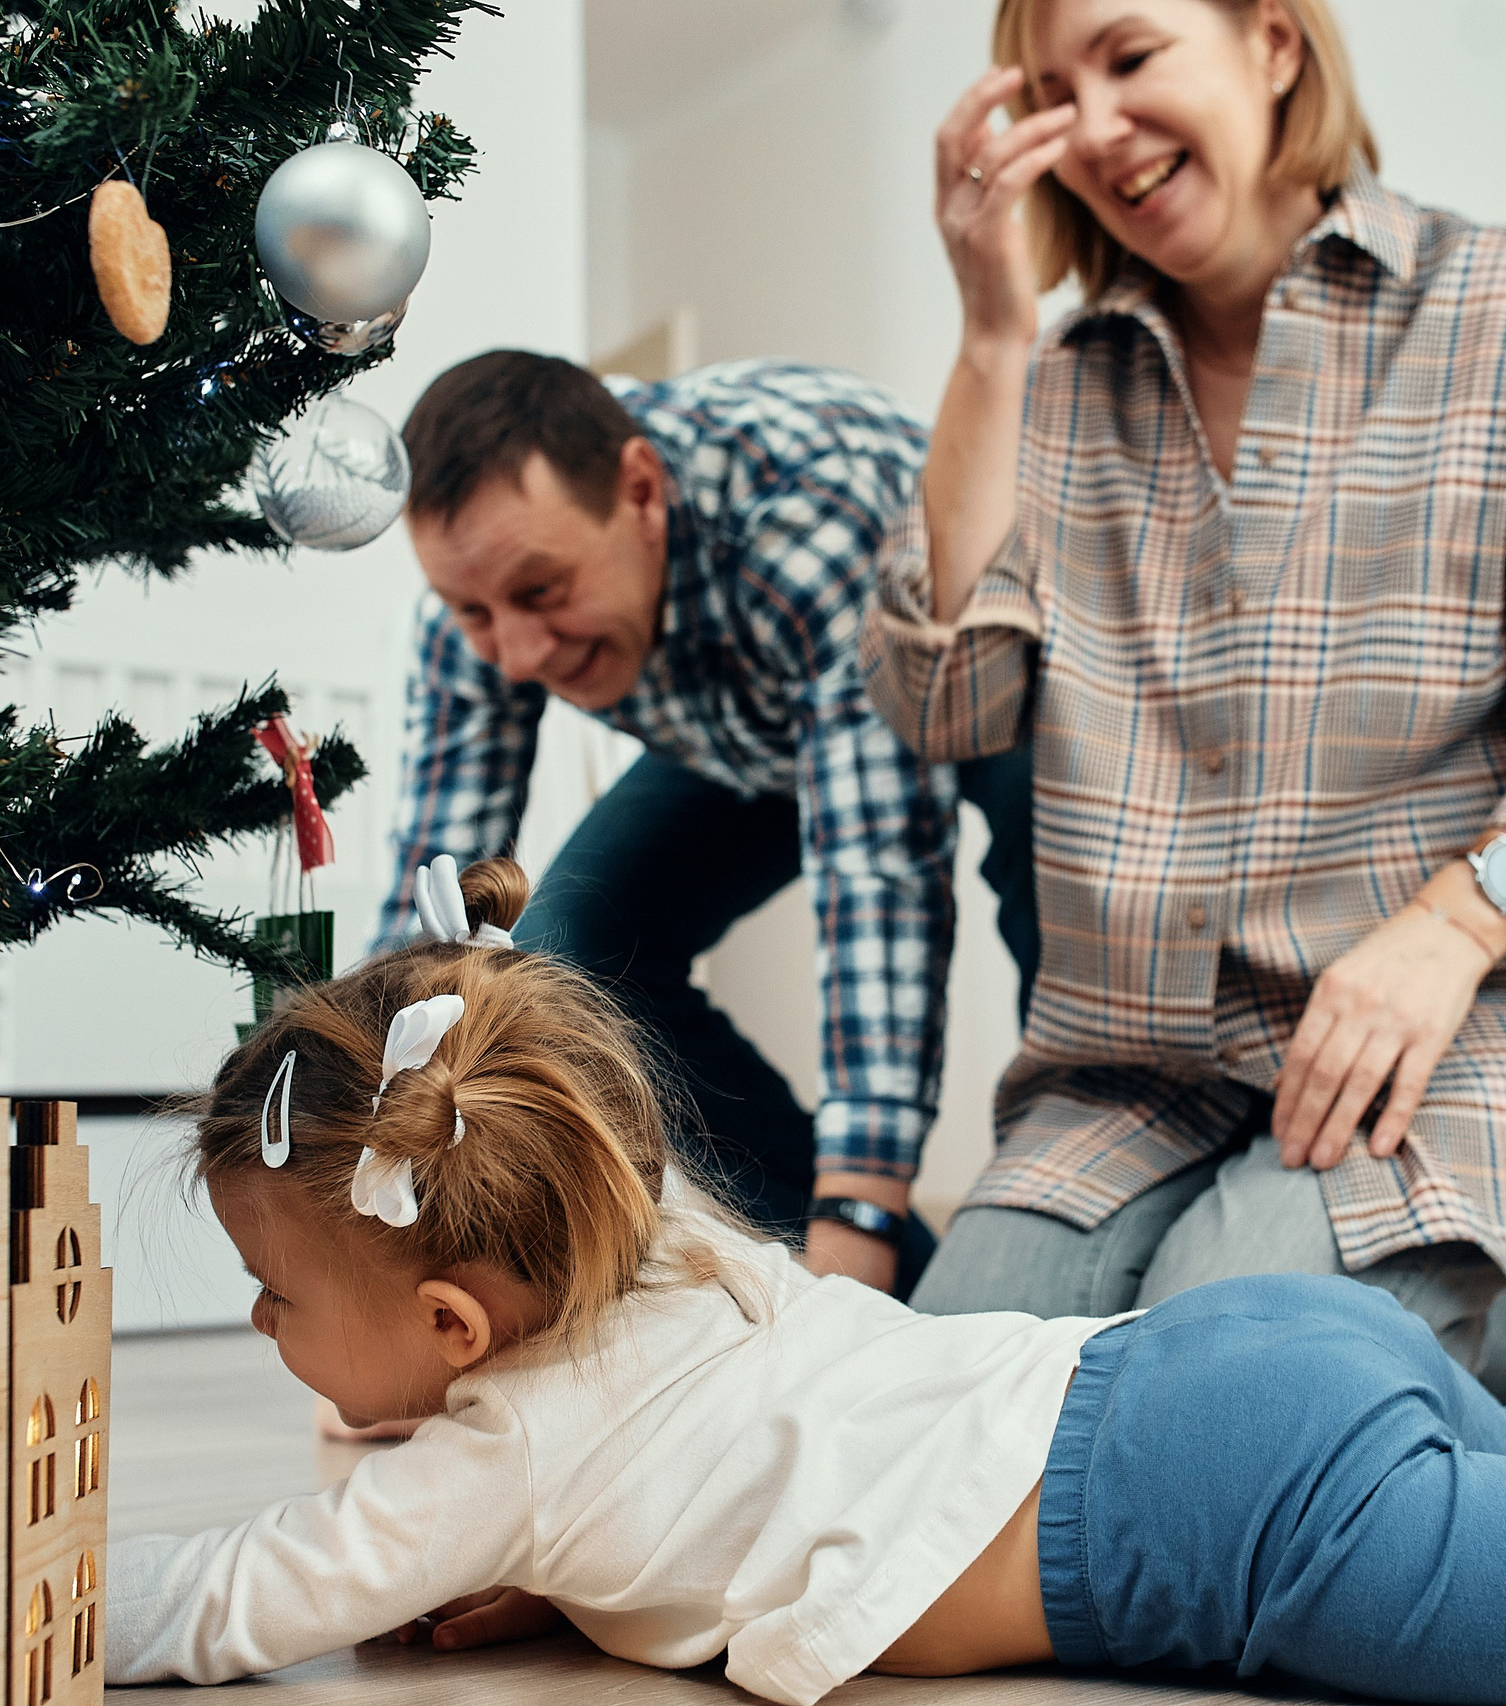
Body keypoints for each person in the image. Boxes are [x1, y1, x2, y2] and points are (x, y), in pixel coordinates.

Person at [0, 864, 1506, 1706]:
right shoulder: (658, 1262)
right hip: (1203, 1364)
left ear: (452, 1326)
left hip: (1213, 1510)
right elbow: (636, 1500)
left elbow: (216, 1598)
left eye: (266, 1288)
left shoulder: (486, 1446)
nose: (255, 1328)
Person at [861, 0, 1506, 1411]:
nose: (1091, 128)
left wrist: (1456, 921)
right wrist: (987, 330)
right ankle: (1463, 1380)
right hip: (1135, 1082)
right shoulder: (1055, 389)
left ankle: (1480, 1341)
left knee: (1196, 1412)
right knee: (924, 1423)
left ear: (1274, 46)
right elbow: (947, 699)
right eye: (1047, 91)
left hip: (1452, 1032)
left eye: (1133, 58)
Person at [375, 351, 1038, 1299]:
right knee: (573, 954)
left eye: (543, 594)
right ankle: (897, 1305)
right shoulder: (482, 608)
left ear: (640, 492)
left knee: (1053, 886)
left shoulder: (806, 523)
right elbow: (432, 908)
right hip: (760, 729)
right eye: (473, 612)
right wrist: (385, 1254)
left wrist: (859, 1215)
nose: (515, 655)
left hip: (974, 660)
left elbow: (878, 881)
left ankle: (1051, 1220)